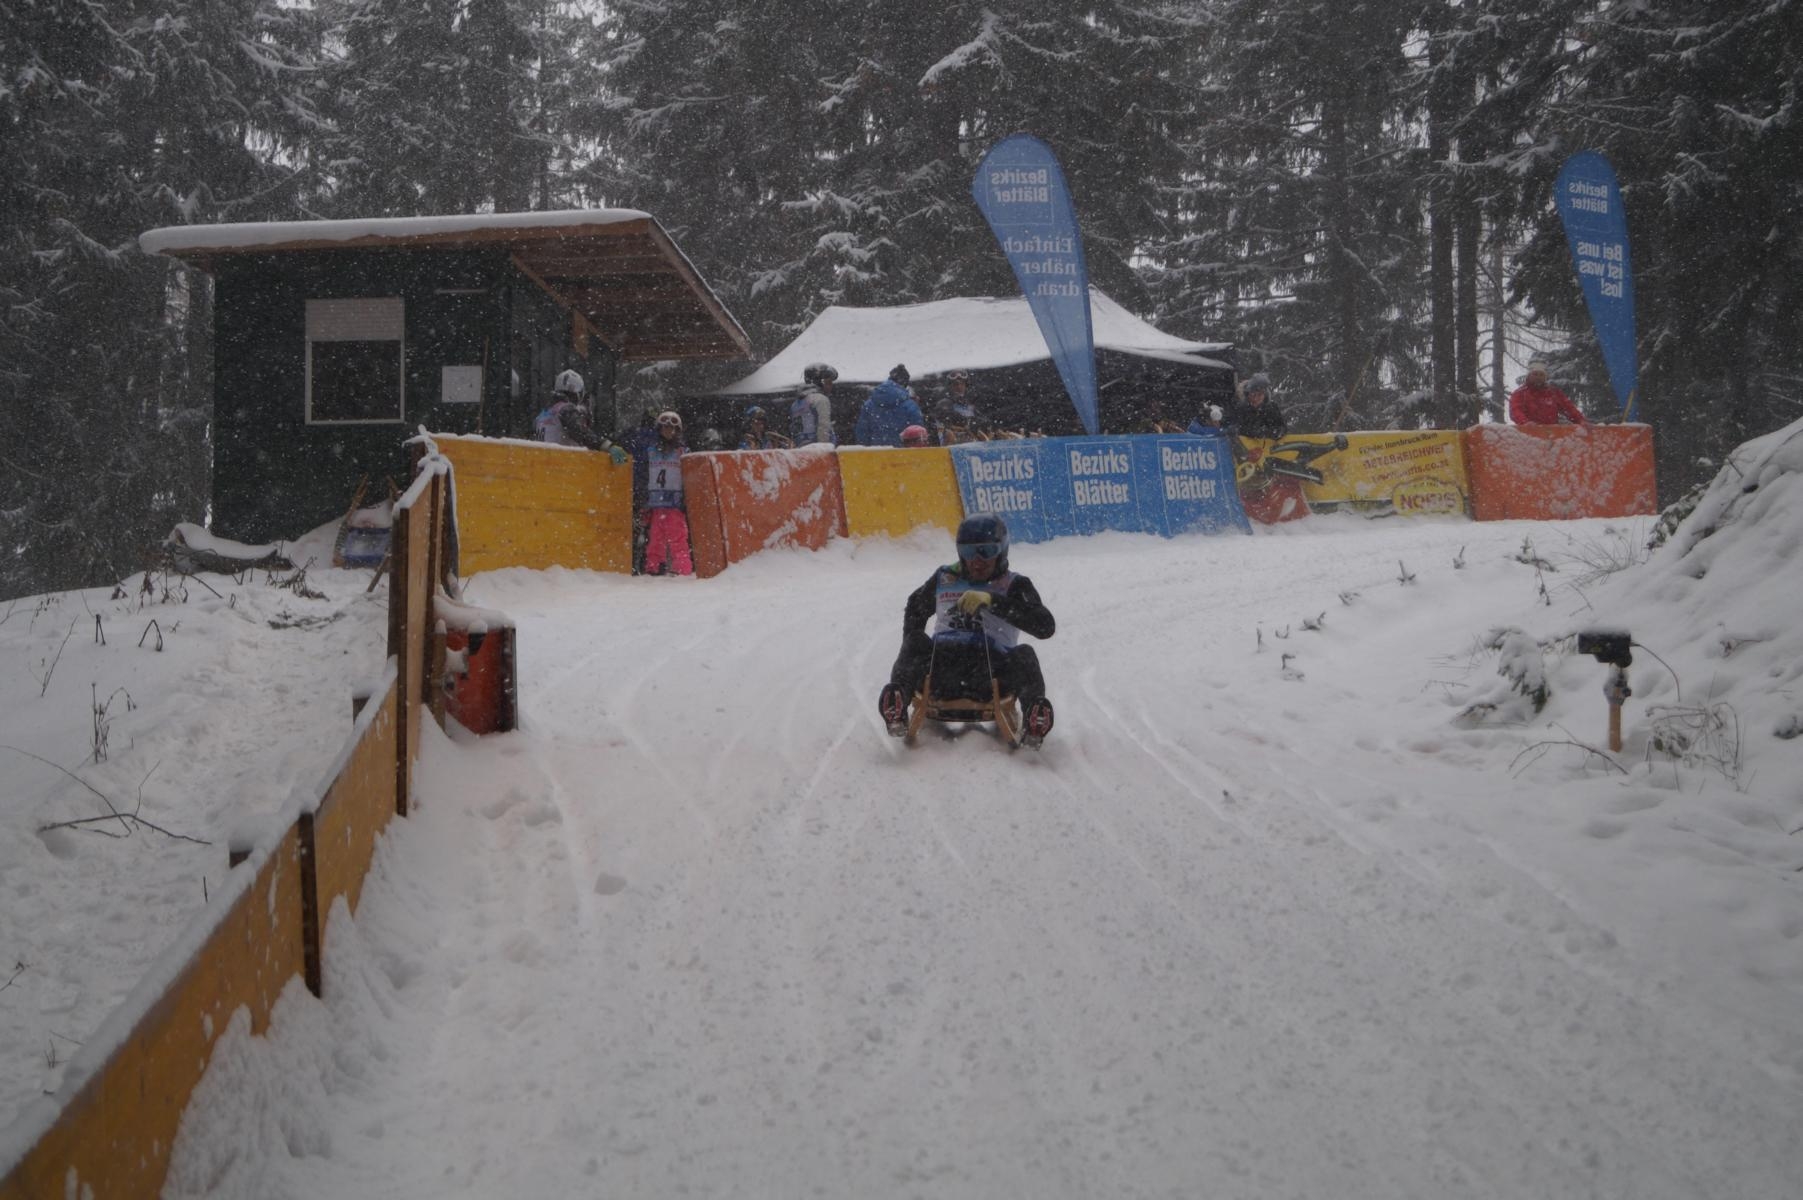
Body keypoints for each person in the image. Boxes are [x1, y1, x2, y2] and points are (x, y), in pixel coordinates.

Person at [877, 514, 1057, 747]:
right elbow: (915, 607)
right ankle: (897, 702)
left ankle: (1035, 716)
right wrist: (912, 670)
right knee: (915, 641)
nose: (977, 561)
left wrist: (992, 601)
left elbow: (1045, 626)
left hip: (991, 673)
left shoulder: (1015, 584)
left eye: (986, 551)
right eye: (968, 552)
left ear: (1002, 551)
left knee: (1025, 654)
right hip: (942, 670)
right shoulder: (945, 577)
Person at [640, 410, 693, 576]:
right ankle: (654, 567)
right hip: (656, 503)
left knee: (678, 538)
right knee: (655, 538)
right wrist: (643, 499)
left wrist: (686, 498)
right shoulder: (650, 451)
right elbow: (644, 474)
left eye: (672, 428)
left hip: (674, 503)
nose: (669, 431)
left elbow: (689, 476)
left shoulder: (682, 452)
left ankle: (682, 570)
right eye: (665, 428)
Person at [534, 370, 628, 463]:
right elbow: (579, 432)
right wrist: (606, 445)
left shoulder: (542, 415)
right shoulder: (566, 409)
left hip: (543, 464)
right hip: (562, 464)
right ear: (578, 393)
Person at [856, 364, 925, 447]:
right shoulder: (910, 405)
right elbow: (918, 434)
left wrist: (867, 448)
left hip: (876, 451)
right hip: (902, 452)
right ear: (904, 383)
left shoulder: (869, 404)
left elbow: (862, 432)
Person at [1508, 359, 1588, 426]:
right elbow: (1515, 411)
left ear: (1545, 377)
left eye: (1541, 375)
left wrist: (1581, 420)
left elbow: (1569, 408)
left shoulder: (1553, 393)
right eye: (1535, 374)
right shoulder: (1520, 393)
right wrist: (1525, 422)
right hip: (1529, 434)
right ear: (1529, 375)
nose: (1538, 377)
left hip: (1551, 434)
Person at [1220, 372, 1287, 440]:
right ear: (1248, 394)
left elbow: (1282, 428)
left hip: (1267, 445)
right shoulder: (1240, 408)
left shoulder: (1272, 408)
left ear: (1265, 395)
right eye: (1253, 395)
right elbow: (1227, 424)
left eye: (1259, 395)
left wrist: (1265, 432)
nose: (1255, 399)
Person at [792, 363, 838, 446]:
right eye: (828, 382)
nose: (831, 386)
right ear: (818, 382)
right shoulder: (821, 399)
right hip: (817, 449)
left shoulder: (797, 402)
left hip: (801, 448)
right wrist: (824, 447)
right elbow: (823, 427)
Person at [935, 370, 986, 442]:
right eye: (955, 384)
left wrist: (979, 423)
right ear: (950, 386)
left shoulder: (971, 405)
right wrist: (968, 421)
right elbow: (945, 415)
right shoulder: (944, 403)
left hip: (973, 442)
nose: (959, 387)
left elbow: (983, 420)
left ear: (966, 385)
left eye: (962, 384)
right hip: (953, 444)